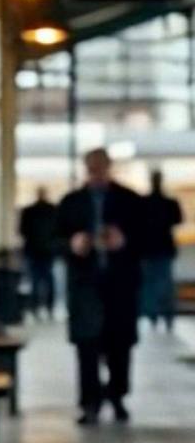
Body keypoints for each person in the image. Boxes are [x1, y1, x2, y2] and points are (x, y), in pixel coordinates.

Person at [56, 148, 144, 424]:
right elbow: (52, 239)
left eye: (101, 168)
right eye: (92, 169)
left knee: (119, 344)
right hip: (85, 284)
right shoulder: (71, 203)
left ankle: (118, 396)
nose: (96, 174)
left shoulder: (129, 201)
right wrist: (72, 244)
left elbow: (149, 239)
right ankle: (90, 401)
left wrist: (125, 241)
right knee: (87, 345)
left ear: (109, 168)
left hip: (120, 284)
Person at [141, 169, 182, 330]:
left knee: (152, 284)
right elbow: (177, 220)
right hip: (162, 248)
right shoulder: (169, 203)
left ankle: (155, 314)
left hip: (150, 248)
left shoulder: (145, 203)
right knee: (163, 283)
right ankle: (165, 315)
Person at [18, 187, 59, 317]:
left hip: (35, 250)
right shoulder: (53, 210)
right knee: (47, 279)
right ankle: (48, 307)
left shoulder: (29, 211)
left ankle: (36, 307)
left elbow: (22, 230)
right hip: (47, 250)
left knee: (36, 279)